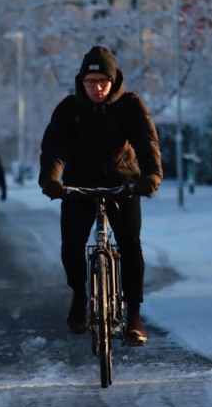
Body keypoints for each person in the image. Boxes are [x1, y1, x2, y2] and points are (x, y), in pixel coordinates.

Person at [39, 45, 162, 345]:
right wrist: (52, 180)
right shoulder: (69, 108)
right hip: (79, 186)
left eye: (102, 82)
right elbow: (54, 148)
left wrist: (151, 176)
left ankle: (134, 315)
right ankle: (80, 296)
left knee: (131, 245)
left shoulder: (130, 106)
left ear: (114, 80)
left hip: (123, 184)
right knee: (71, 245)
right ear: (82, 82)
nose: (97, 88)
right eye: (91, 83)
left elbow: (147, 143)